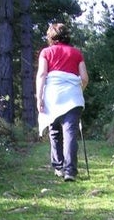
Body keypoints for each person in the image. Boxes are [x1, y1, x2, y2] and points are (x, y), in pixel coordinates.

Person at [36, 22, 89, 181]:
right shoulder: (77, 53)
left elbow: (41, 75)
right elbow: (85, 78)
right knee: (70, 132)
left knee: (55, 131)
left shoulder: (46, 52)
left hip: (53, 97)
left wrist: (39, 97)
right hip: (73, 97)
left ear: (50, 37)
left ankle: (59, 166)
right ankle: (70, 171)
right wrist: (78, 90)